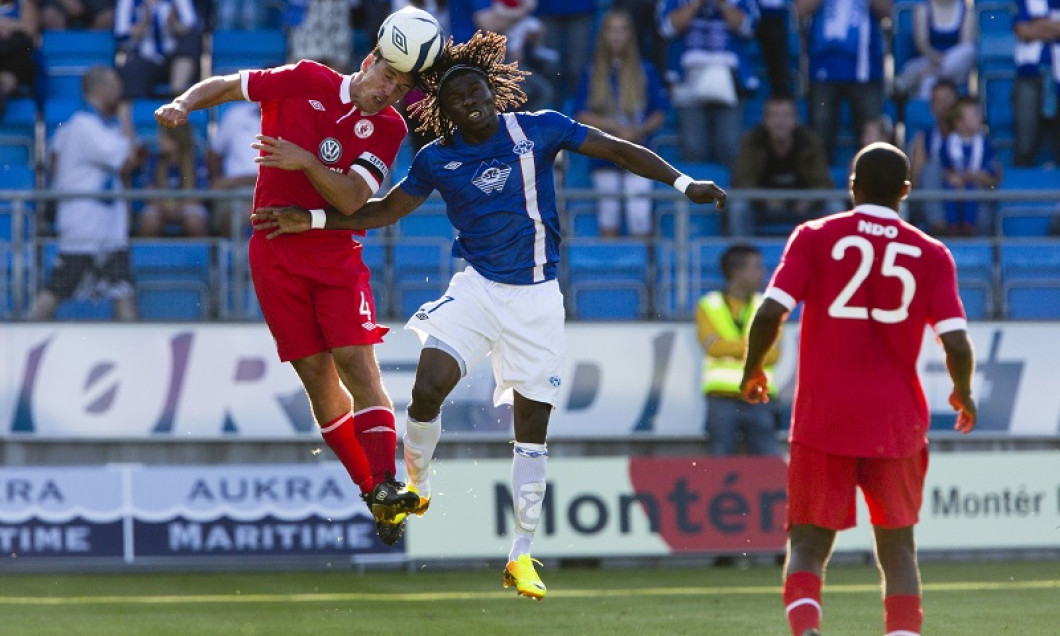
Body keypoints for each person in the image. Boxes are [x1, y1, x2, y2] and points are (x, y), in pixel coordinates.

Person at [252, 31, 727, 599]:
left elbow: (618, 150)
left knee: (531, 435)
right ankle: (417, 486)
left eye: (478, 92)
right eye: (457, 99)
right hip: (476, 290)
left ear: (494, 93)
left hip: (537, 301)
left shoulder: (541, 128)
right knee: (426, 390)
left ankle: (521, 556)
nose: (471, 102)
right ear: (444, 112)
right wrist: (316, 221)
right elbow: (381, 212)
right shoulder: (437, 159)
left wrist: (682, 182)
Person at [153, 33, 429, 544]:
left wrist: (305, 162)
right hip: (274, 251)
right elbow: (230, 85)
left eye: (402, 86)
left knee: (355, 362)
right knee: (317, 379)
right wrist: (183, 102)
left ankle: (388, 481)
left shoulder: (388, 127)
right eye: (388, 76)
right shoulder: (305, 79)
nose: (390, 91)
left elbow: (351, 199)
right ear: (368, 63)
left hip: (335, 254)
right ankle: (373, 492)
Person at [740, 142, 977, 636]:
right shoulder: (932, 254)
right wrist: (963, 391)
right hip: (897, 420)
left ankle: (806, 632)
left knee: (807, 543)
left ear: (852, 186)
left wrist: (753, 370)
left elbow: (769, 314)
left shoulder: (814, 236)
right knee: (898, 548)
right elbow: (956, 341)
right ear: (907, 191)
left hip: (824, 415)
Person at [30, 67, 142, 321]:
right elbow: (127, 160)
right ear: (100, 90)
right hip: (86, 229)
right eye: (115, 88)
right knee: (57, 289)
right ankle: (17, 343)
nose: (120, 95)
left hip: (108, 231)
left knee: (122, 290)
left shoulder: (94, 126)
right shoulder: (85, 125)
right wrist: (127, 121)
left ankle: (135, 353)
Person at [573, 8, 669, 238]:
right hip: (604, 152)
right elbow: (581, 113)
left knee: (639, 211)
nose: (616, 36)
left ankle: (643, 269)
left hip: (639, 149)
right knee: (609, 211)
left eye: (622, 30)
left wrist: (638, 130)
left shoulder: (646, 70)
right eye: (611, 30)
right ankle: (612, 265)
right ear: (603, 34)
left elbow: (659, 112)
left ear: (630, 35)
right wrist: (615, 128)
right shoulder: (591, 72)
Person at [695, 243, 779, 456]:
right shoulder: (708, 304)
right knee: (720, 462)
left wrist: (730, 346)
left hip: (760, 398)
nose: (763, 272)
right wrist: (754, 345)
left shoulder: (768, 305)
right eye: (756, 266)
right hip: (721, 398)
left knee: (767, 464)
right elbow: (712, 348)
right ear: (737, 271)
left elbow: (774, 354)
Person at [658, 0, 759, 167]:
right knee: (693, 148)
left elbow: (747, 27)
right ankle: (694, 191)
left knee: (729, 146)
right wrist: (695, 4)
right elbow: (667, 27)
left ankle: (728, 192)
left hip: (728, 80)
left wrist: (723, 4)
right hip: (688, 78)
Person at [797, 0, 890, 164]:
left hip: (865, 68)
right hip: (824, 67)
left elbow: (887, 11)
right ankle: (819, 185)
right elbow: (800, 10)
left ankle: (873, 181)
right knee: (820, 134)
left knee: (872, 136)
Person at [728, 96, 835, 236]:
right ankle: (741, 253)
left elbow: (823, 183)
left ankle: (831, 254)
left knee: (834, 205)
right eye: (774, 116)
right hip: (762, 207)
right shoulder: (753, 141)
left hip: (803, 207)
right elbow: (741, 181)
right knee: (738, 206)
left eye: (786, 116)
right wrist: (764, 199)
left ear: (795, 120)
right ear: (764, 121)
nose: (780, 122)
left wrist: (808, 201)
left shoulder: (809, 142)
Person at [114, 0, 202, 99]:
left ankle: (175, 95)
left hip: (173, 58)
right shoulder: (128, 2)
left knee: (191, 42)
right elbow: (121, 34)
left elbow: (191, 27)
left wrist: (173, 23)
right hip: (143, 59)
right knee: (129, 70)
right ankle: (132, 111)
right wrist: (144, 22)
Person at [939, 97, 1002, 236]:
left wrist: (974, 176)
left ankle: (969, 226)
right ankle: (953, 225)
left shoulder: (985, 145)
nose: (979, 118)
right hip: (954, 184)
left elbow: (991, 171)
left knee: (972, 192)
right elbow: (945, 167)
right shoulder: (948, 144)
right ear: (959, 123)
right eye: (974, 115)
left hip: (977, 185)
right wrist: (953, 176)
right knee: (949, 190)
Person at [137, 123, 210, 237]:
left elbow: (200, 193)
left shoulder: (196, 161)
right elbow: (148, 189)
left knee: (194, 222)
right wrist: (165, 206)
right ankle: (150, 254)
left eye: (164, 137)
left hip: (188, 205)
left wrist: (179, 207)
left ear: (177, 140)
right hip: (160, 206)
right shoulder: (153, 160)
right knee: (150, 221)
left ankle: (199, 254)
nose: (159, 140)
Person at [893, 0, 976, 100]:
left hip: (955, 66)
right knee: (928, 81)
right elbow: (921, 44)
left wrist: (942, 62)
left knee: (970, 50)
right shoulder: (922, 9)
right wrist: (934, 57)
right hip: (929, 60)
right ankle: (926, 111)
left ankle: (920, 74)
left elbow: (965, 45)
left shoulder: (967, 11)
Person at [907, 79, 958, 234]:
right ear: (932, 107)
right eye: (938, 101)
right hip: (929, 200)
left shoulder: (974, 137)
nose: (944, 106)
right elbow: (915, 180)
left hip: (961, 196)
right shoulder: (922, 138)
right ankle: (939, 225)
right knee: (932, 166)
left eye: (948, 100)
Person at [1013, 0, 1060, 167]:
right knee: (1025, 143)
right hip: (1030, 75)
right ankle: (1019, 190)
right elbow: (1023, 30)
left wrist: (1039, 24)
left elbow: (1031, 29)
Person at [207, 101, 261, 237]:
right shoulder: (236, 114)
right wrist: (216, 179)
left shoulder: (289, 119)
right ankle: (234, 257)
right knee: (233, 215)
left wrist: (233, 182)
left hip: (273, 193)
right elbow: (214, 152)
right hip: (233, 193)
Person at [0, 0, 37, 117]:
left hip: (14, 55)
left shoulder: (24, 4)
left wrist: (7, 24)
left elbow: (30, 28)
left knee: (11, 71)